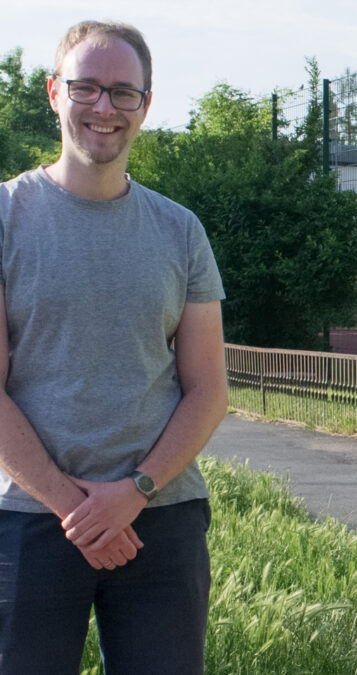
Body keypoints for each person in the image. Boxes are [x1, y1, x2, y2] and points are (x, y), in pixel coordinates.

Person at [0, 21, 227, 673]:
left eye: (123, 92)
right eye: (86, 87)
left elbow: (208, 389)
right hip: (33, 516)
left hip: (161, 517)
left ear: (145, 106)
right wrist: (76, 507)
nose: (104, 107)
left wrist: (134, 490)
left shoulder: (180, 231)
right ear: (52, 93)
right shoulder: (6, 217)